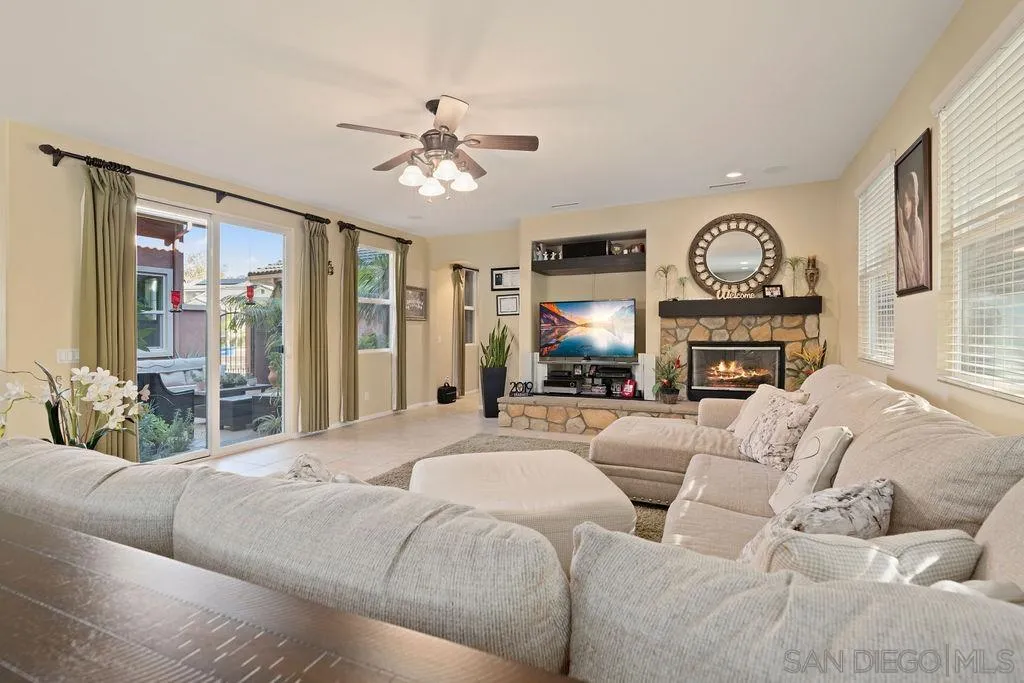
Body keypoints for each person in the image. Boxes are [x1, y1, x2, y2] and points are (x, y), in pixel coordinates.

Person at [896, 169, 927, 291]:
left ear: (914, 201)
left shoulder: (917, 226)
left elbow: (919, 273)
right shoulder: (900, 231)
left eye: (909, 200)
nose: (905, 206)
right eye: (903, 200)